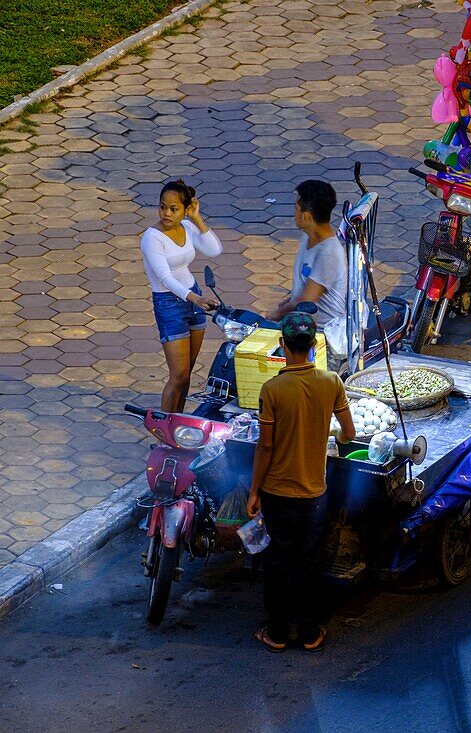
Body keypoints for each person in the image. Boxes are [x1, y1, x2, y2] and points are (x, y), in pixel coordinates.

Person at [246, 312, 355, 653]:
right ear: (313, 347)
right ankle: (309, 633)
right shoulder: (332, 382)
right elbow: (349, 433)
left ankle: (277, 633)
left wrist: (253, 490)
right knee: (309, 561)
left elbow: (266, 446)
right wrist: (324, 430)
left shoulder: (273, 389)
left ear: (282, 345)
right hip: (314, 493)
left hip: (277, 492)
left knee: (277, 559)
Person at [141, 180, 222, 412]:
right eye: (162, 207)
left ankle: (177, 425)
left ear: (186, 209)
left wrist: (197, 219)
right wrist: (196, 299)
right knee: (177, 375)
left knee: (188, 372)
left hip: (193, 296)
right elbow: (165, 278)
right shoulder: (152, 238)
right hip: (170, 304)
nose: (166, 213)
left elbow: (214, 250)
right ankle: (162, 432)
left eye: (174, 209)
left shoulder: (188, 226)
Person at [266, 180, 347, 341]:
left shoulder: (329, 255)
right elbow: (300, 293)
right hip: (300, 322)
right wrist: (285, 304)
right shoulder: (308, 237)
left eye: (296, 209)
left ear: (306, 216)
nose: (294, 214)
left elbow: (305, 301)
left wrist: (274, 315)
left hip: (320, 336)